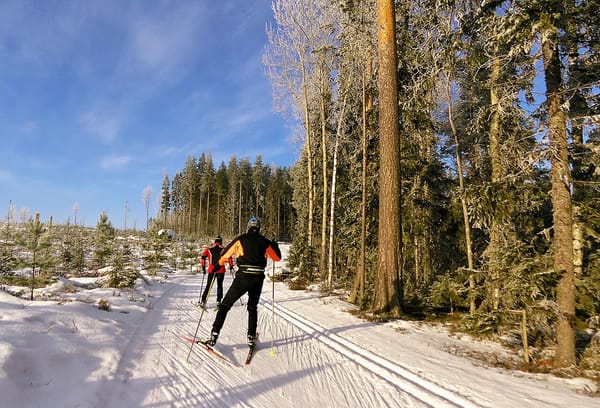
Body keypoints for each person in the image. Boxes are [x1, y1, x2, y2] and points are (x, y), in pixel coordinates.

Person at [202, 216, 281, 348]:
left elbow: (225, 254)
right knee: (252, 307)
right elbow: (277, 258)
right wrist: (274, 245)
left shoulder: (241, 239)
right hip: (257, 278)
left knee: (225, 305)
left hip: (243, 277)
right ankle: (251, 337)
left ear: (248, 226)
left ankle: (214, 334)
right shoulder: (265, 241)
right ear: (259, 227)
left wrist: (217, 265)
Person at [198, 236, 232, 308]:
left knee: (208, 285)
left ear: (215, 241)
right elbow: (230, 258)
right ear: (221, 241)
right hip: (221, 270)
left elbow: (203, 258)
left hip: (212, 270)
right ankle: (219, 301)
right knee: (219, 285)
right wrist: (231, 267)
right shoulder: (224, 249)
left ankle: (203, 301)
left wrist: (203, 268)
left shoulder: (209, 249)